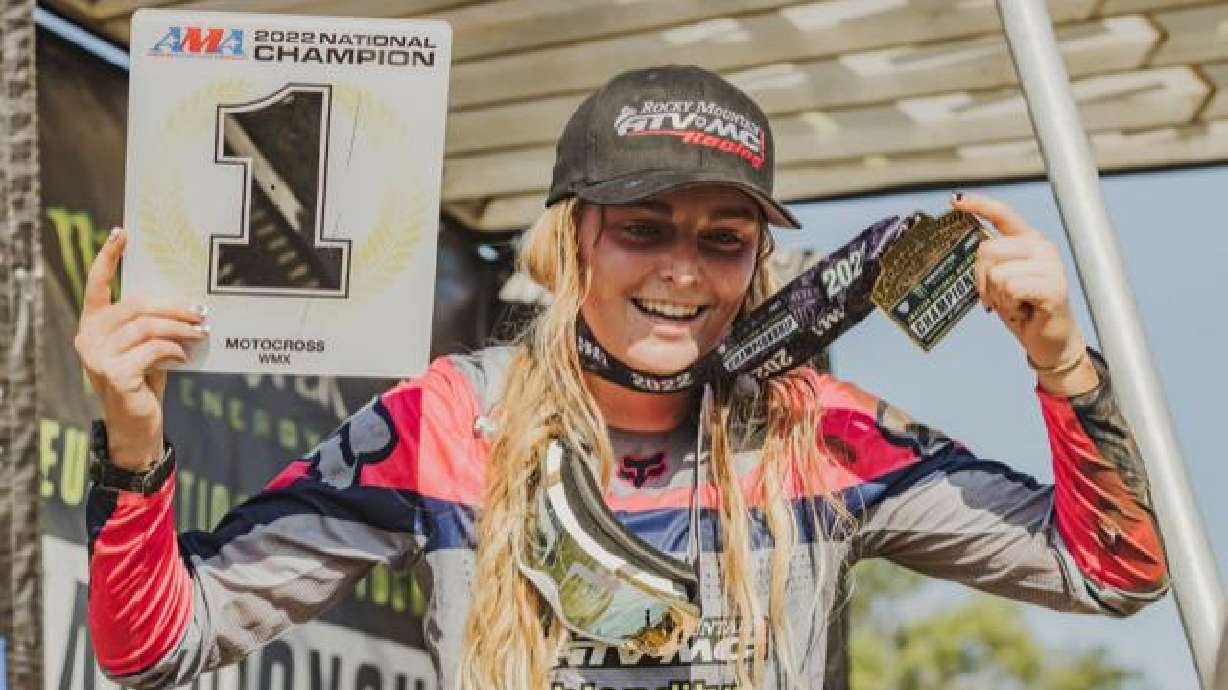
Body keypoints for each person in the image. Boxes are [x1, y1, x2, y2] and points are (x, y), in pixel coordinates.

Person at [76, 65, 1168, 690]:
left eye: (724, 239)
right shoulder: (448, 419)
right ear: (573, 242)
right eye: (643, 228)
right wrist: (131, 442)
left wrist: (1061, 363)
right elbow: (159, 644)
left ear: (758, 261)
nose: (683, 271)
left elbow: (1116, 573)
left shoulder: (819, 431)